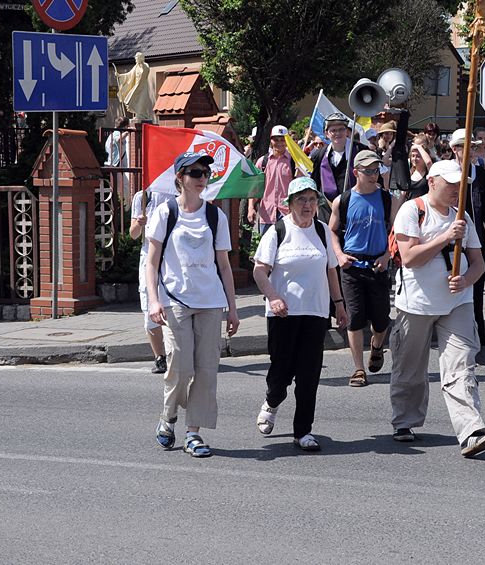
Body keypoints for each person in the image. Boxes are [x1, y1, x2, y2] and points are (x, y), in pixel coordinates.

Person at [389, 159, 485, 458]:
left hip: (457, 304)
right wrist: (445, 238)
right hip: (416, 303)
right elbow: (410, 257)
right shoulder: (413, 210)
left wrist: (465, 282)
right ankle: (405, 421)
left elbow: (478, 264)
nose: (456, 190)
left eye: (459, 185)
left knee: (461, 366)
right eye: (450, 184)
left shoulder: (463, 218)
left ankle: (471, 431)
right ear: (432, 181)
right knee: (410, 368)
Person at [145, 152, 240, 457]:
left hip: (210, 302)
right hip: (176, 302)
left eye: (205, 173)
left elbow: (224, 266)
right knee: (181, 367)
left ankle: (193, 433)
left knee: (207, 370)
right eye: (195, 172)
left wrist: (233, 308)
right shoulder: (165, 212)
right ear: (180, 178)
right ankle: (168, 414)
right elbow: (152, 262)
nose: (202, 178)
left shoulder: (215, 216)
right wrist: (154, 300)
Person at [253, 177, 348, 451]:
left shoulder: (321, 232)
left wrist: (339, 304)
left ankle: (303, 431)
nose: (307, 205)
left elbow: (331, 269)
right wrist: (273, 297)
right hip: (283, 314)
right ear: (290, 204)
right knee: (281, 373)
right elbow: (260, 270)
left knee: (309, 375)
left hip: (315, 313)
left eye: (311, 200)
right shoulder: (278, 231)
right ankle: (271, 402)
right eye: (301, 200)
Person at [328, 150, 393, 387]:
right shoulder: (342, 200)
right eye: (368, 171)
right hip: (352, 265)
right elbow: (332, 231)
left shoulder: (387, 199)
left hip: (378, 265)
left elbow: (397, 232)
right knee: (355, 318)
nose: (373, 175)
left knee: (382, 319)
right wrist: (339, 255)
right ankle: (358, 369)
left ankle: (376, 346)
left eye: (376, 170)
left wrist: (388, 255)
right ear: (356, 172)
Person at [449, 128, 485, 354]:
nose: (470, 151)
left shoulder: (480, 175)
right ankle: (450, 340)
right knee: (450, 291)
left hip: (474, 243)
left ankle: (477, 342)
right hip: (448, 243)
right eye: (465, 146)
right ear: (454, 149)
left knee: (475, 291)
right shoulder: (444, 172)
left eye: (473, 146)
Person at [130, 187, 175, 374]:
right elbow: (133, 234)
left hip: (173, 258)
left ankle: (177, 354)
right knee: (150, 308)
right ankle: (160, 357)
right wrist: (139, 223)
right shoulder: (143, 197)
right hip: (149, 257)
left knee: (175, 307)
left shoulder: (177, 194)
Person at [311, 112, 368, 223]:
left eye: (341, 129)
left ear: (347, 131)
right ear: (326, 133)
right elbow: (315, 183)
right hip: (327, 211)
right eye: (333, 130)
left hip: (355, 209)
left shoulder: (360, 150)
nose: (337, 133)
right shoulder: (320, 155)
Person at [248, 125, 295, 235]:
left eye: (282, 139)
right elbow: (254, 187)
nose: (279, 143)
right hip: (267, 213)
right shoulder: (263, 161)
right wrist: (251, 207)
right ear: (271, 140)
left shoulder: (293, 162)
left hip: (288, 213)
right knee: (266, 249)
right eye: (276, 139)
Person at [115, 52, 153, 121]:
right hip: (136, 87)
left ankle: (141, 115)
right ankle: (138, 115)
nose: (135, 59)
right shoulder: (136, 66)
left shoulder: (145, 65)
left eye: (136, 58)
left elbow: (146, 70)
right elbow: (129, 74)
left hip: (142, 88)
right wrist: (120, 75)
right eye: (135, 58)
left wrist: (142, 65)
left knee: (141, 102)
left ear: (140, 58)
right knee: (131, 99)